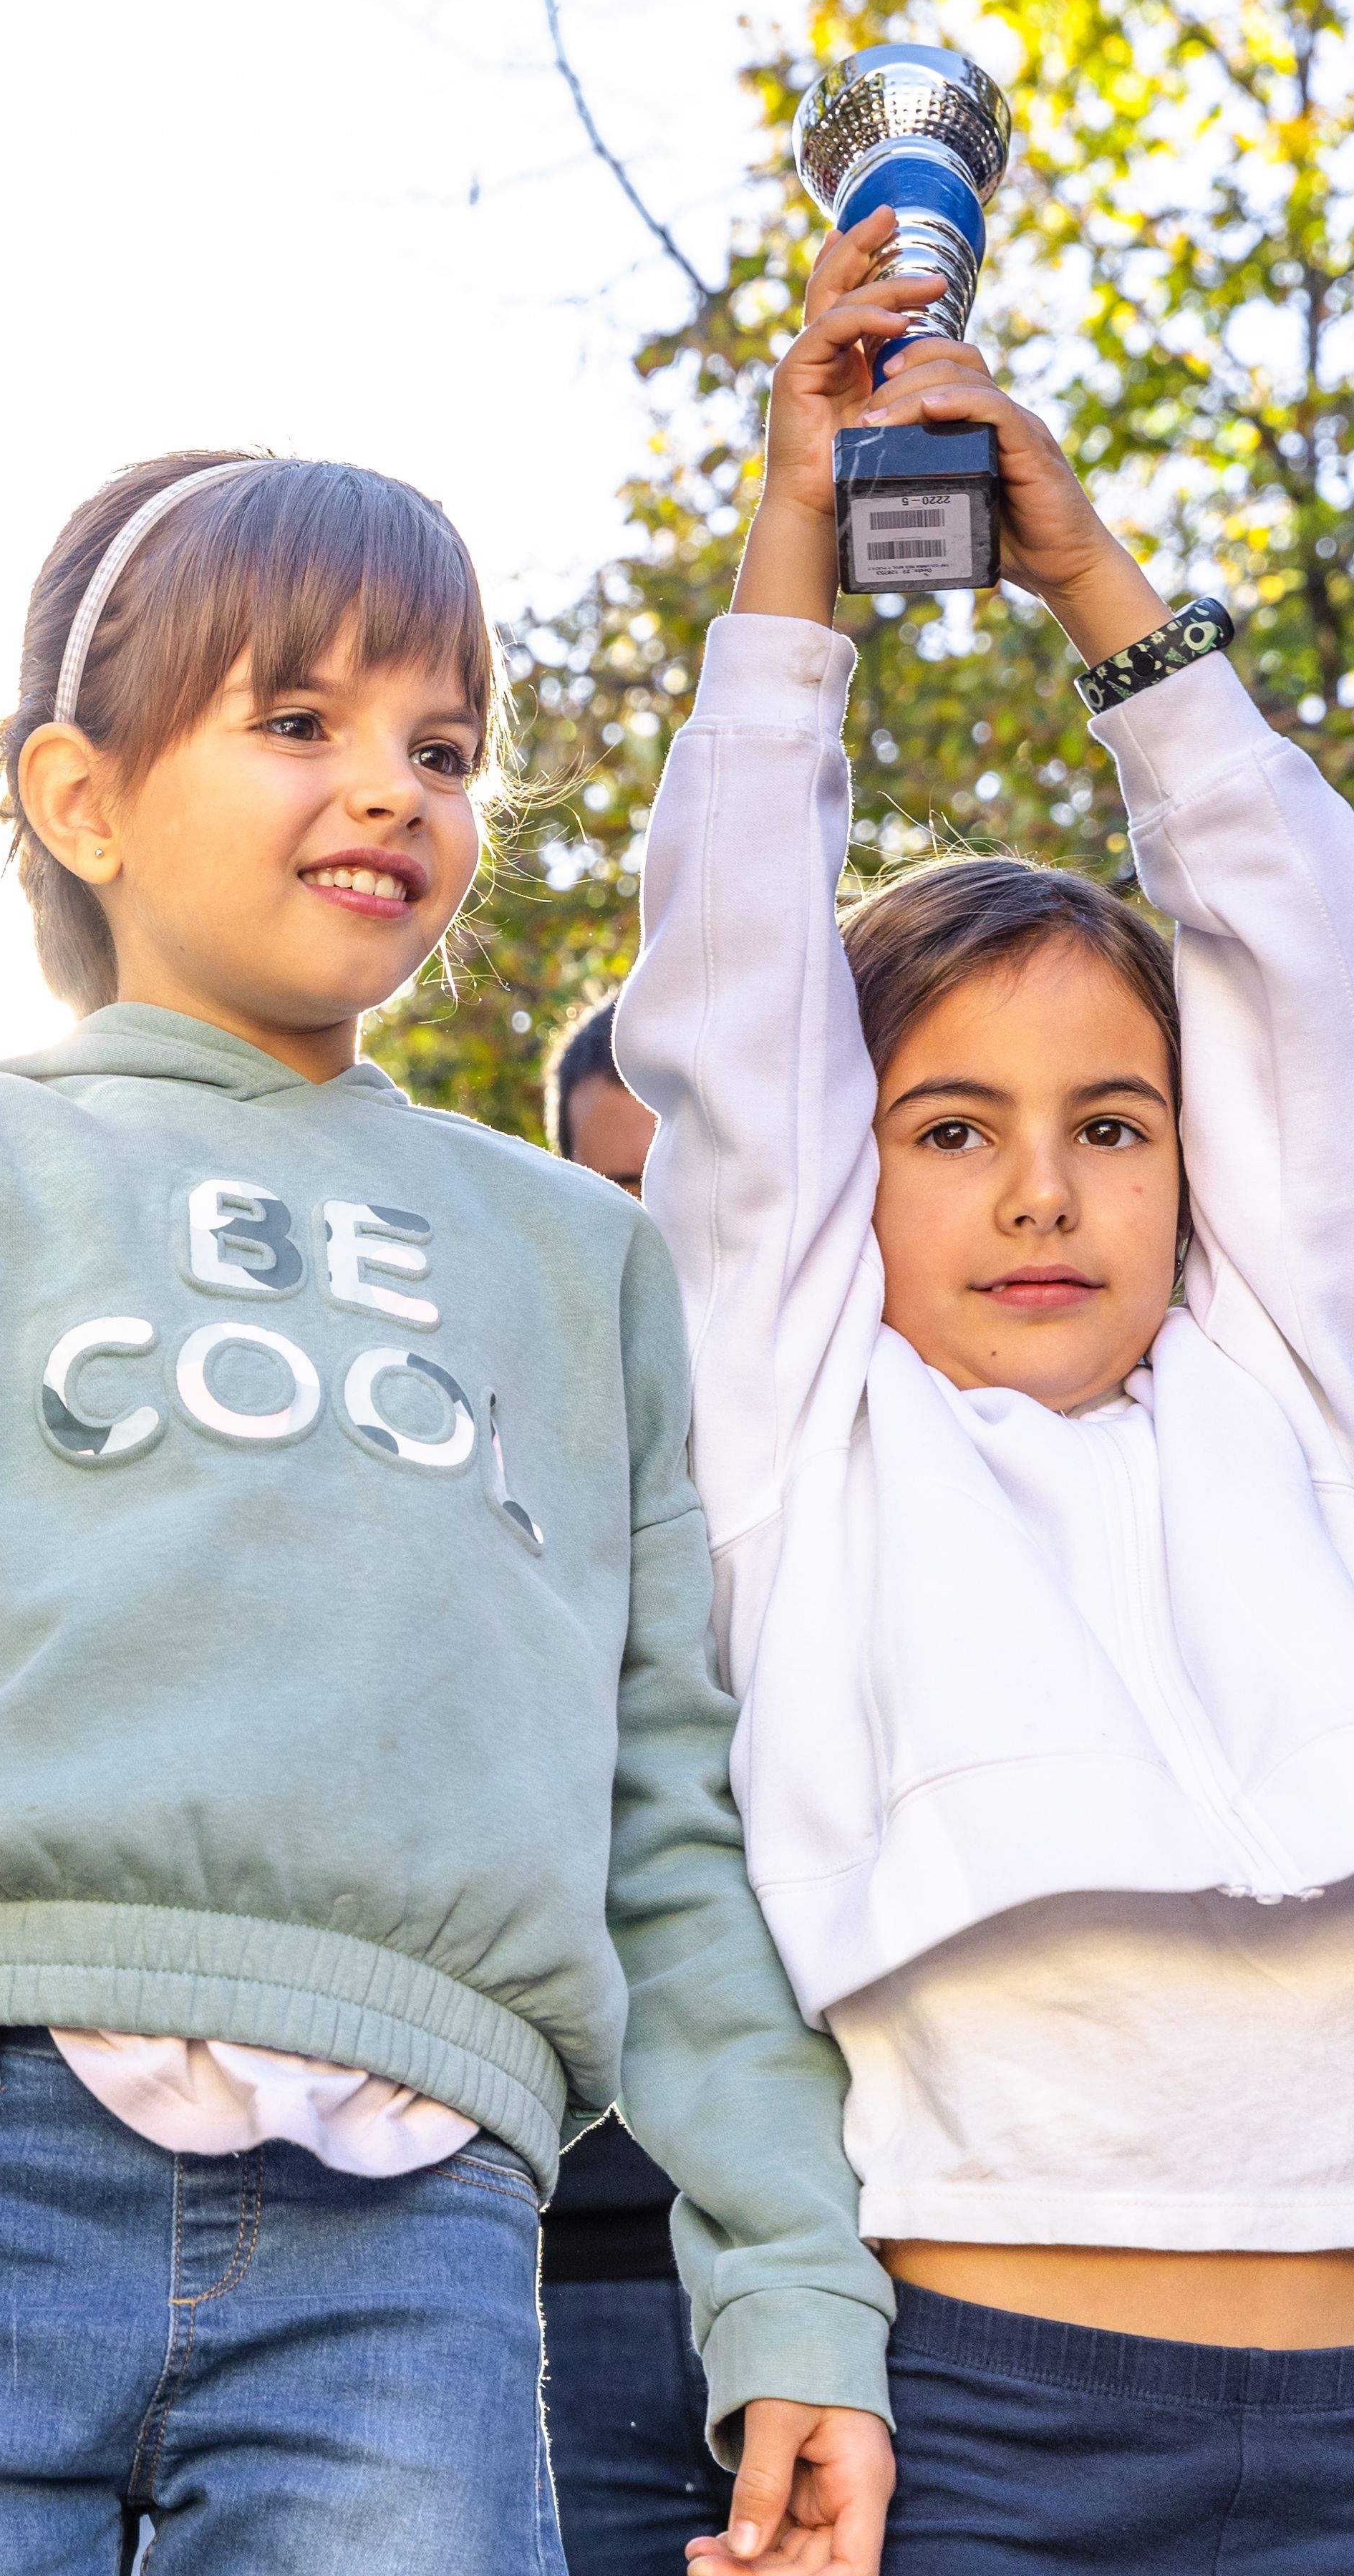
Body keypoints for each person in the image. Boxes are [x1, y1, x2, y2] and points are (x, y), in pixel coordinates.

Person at [0, 455, 893, 2574]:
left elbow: (662, 1823)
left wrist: (788, 2283)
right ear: (81, 799)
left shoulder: (576, 1262)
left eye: (440, 744)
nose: (387, 785)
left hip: (419, 2233)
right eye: (295, 719)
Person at [621, 220, 1354, 2575]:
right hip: (983, 2418)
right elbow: (736, 984)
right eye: (954, 1128)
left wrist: (1093, 587)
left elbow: (1303, 961)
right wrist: (797, 543)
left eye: (1115, 1124)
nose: (1044, 1190)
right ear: (858, 1168)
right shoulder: (798, 1424)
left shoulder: (1273, 1398)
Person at [537, 990, 746, 2573]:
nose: (655, 1251)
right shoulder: (496, 1473)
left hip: (878, 2265)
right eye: (615, 1198)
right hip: (573, 2275)